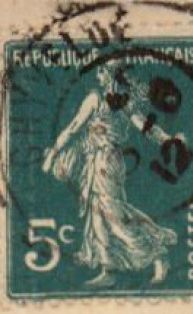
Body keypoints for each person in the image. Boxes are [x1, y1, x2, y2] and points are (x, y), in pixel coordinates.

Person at [41, 67, 177, 288]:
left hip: (107, 162)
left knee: (113, 213)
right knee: (97, 214)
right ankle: (108, 269)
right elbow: (75, 127)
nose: (99, 76)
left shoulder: (113, 101)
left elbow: (143, 126)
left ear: (112, 76)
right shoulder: (110, 100)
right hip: (96, 161)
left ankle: (157, 253)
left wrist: (167, 140)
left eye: (103, 72)